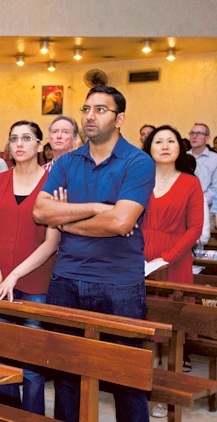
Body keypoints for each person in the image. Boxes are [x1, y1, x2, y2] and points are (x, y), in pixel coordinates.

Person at [33, 85, 156, 422]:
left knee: (125, 380)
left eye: (101, 109)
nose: (90, 115)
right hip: (67, 278)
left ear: (120, 119)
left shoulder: (138, 162)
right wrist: (95, 209)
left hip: (118, 283)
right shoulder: (68, 162)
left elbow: (121, 221)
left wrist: (67, 220)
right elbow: (41, 212)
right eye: (86, 109)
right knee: (66, 375)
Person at [0, 120, 59, 416]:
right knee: (2, 361)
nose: (19, 143)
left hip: (35, 282)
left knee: (32, 366)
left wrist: (13, 275)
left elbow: (51, 242)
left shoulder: (52, 183)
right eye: (14, 138)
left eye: (27, 138)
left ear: (40, 145)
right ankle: (5, 415)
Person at [142, 126, 204, 418]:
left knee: (170, 337)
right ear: (148, 147)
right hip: (138, 262)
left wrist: (164, 259)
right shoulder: (139, 179)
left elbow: (194, 229)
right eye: (158, 141)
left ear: (180, 148)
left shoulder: (190, 182)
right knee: (142, 331)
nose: (165, 146)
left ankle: (164, 397)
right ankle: (141, 389)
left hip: (174, 261)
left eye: (170, 141)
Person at [188, 123, 217, 229]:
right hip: (184, 207)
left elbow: (215, 188)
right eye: (192, 133)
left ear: (208, 138)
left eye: (199, 133)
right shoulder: (182, 158)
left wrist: (200, 201)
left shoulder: (215, 159)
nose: (194, 136)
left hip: (207, 208)